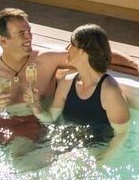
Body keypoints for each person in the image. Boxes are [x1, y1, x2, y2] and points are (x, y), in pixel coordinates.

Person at [0, 9, 139, 152]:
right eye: (22, 33)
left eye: (29, 31)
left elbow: (91, 53)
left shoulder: (45, 60)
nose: (29, 36)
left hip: (50, 129)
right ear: (3, 40)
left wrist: (134, 63)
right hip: (12, 133)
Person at [43, 23, 131, 163]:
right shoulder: (67, 82)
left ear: (83, 52)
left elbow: (122, 134)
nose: (66, 48)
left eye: (71, 44)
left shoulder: (109, 91)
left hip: (95, 148)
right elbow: (51, 117)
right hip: (67, 142)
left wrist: (102, 160)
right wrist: (34, 105)